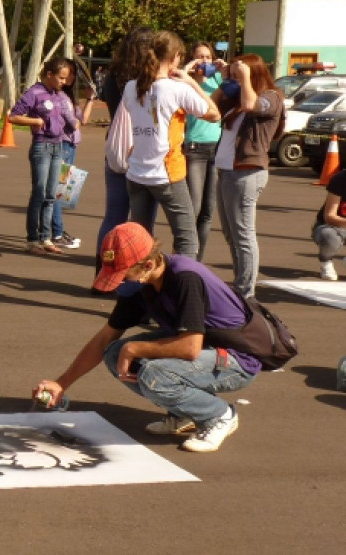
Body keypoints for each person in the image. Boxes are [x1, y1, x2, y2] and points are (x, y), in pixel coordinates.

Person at [32, 222, 262, 453]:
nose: (121, 280)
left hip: (239, 359)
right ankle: (186, 411)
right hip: (208, 348)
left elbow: (190, 348)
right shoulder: (142, 283)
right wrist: (61, 383)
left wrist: (134, 349)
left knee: (153, 373)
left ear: (148, 265)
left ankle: (220, 415)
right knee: (113, 353)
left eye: (123, 273)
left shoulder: (185, 278)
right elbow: (105, 338)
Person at [124, 30, 220, 259]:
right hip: (167, 173)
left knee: (141, 239)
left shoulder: (131, 87)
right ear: (176, 57)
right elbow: (215, 114)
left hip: (137, 172)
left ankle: (140, 288)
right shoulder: (177, 89)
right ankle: (182, 289)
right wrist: (192, 84)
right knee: (188, 240)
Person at [213, 54, 285, 298]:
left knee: (243, 234)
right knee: (230, 234)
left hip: (246, 172)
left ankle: (245, 293)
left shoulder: (271, 98)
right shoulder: (236, 97)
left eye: (238, 74)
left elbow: (251, 105)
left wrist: (243, 79)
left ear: (253, 74)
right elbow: (210, 108)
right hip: (226, 171)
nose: (234, 79)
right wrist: (223, 79)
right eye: (233, 75)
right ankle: (240, 284)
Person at [94, 27, 158, 290]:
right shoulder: (149, 81)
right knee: (142, 221)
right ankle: (133, 287)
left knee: (113, 218)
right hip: (143, 150)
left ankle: (103, 276)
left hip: (117, 150)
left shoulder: (113, 77)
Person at [9, 57, 79, 255]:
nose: (64, 82)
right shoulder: (34, 92)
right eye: (61, 78)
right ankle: (32, 240)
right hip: (41, 147)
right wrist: (35, 121)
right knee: (39, 194)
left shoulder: (58, 94)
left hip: (58, 147)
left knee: (51, 195)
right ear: (50, 75)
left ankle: (46, 238)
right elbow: (13, 116)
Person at [183, 42, 223, 261]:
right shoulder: (185, 83)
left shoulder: (218, 81)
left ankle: (198, 260)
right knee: (194, 208)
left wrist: (224, 70)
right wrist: (190, 68)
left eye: (208, 57)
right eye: (200, 57)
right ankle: (186, 255)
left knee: (208, 211)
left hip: (217, 148)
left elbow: (235, 89)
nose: (205, 61)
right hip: (195, 148)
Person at [50, 58, 96, 250]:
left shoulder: (69, 97)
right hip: (62, 145)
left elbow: (83, 120)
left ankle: (56, 231)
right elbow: (74, 123)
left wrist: (91, 99)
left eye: (71, 75)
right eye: (66, 74)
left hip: (70, 147)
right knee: (57, 192)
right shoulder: (59, 97)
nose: (69, 78)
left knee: (63, 192)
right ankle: (57, 233)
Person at [312, 170, 346, 280]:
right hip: (332, 226)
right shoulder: (341, 179)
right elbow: (329, 216)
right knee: (328, 235)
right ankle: (325, 262)